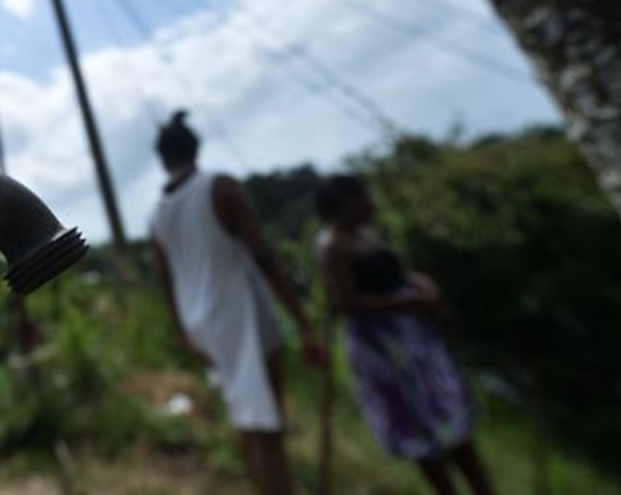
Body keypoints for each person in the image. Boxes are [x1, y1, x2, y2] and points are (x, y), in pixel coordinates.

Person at [149, 110, 325, 495]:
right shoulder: (220, 187)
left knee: (247, 416)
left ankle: (262, 483)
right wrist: (304, 323)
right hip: (242, 316)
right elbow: (261, 255)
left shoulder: (158, 214)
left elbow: (165, 278)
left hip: (203, 326)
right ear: (195, 148)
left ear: (163, 158)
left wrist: (182, 331)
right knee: (269, 425)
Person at [314, 174, 497, 495]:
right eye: (362, 197)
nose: (371, 202)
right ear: (344, 204)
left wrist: (420, 284)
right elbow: (347, 302)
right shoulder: (333, 245)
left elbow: (391, 276)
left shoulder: (366, 232)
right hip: (386, 354)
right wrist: (410, 300)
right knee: (422, 433)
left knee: (453, 425)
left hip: (416, 345)